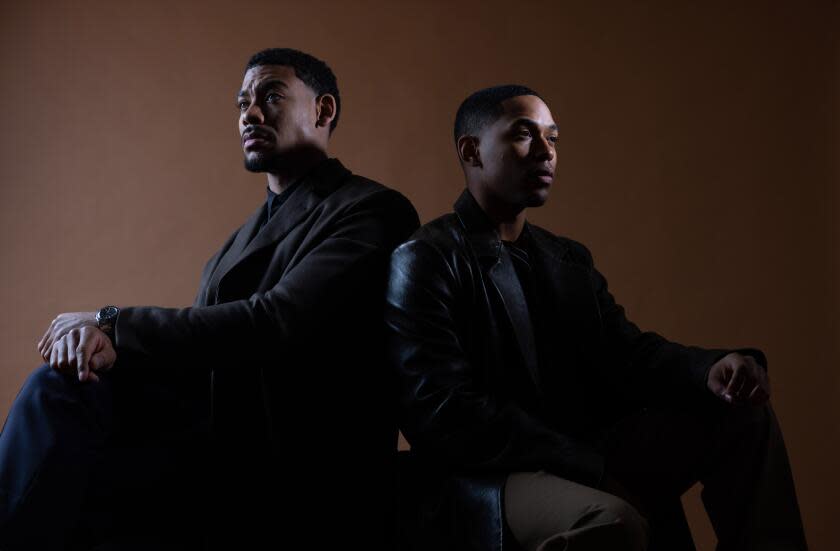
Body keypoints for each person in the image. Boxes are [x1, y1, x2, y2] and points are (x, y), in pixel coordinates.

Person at [0, 47, 419, 550]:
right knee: (63, 386)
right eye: (242, 102)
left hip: (295, 459)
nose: (250, 113)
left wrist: (112, 320)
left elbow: (275, 322)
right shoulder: (234, 244)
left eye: (270, 96)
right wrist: (106, 350)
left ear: (323, 111)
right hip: (219, 438)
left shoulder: (373, 209)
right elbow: (198, 358)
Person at [385, 85, 807, 551]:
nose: (546, 152)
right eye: (525, 136)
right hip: (495, 474)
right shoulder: (426, 257)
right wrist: (586, 465)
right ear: (471, 151)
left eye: (553, 138)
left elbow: (628, 353)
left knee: (743, 416)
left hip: (586, 450)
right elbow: (442, 413)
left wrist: (710, 368)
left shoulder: (565, 257)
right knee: (614, 523)